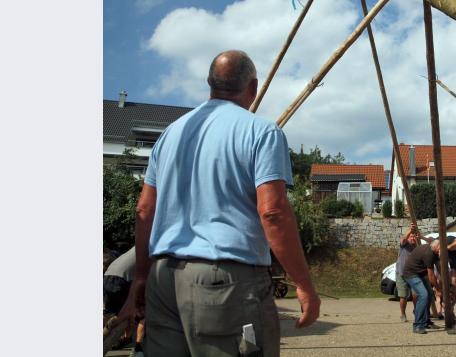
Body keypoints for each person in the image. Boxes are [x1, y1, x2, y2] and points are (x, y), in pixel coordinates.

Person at [112, 50, 320, 357]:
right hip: (223, 281)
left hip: (163, 278)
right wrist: (303, 283)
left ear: (210, 84)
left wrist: (141, 277)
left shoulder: (170, 134)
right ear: (253, 87)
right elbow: (273, 212)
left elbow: (144, 210)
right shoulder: (261, 132)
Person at [401, 242, 439, 334]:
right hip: (411, 274)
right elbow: (430, 275)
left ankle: (426, 322)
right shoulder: (429, 254)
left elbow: (439, 267)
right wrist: (438, 289)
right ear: (436, 247)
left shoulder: (435, 251)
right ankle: (417, 325)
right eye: (440, 249)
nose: (441, 251)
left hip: (421, 273)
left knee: (429, 295)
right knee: (424, 295)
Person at [395, 225, 418, 322]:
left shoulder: (417, 247)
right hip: (401, 273)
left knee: (416, 294)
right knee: (403, 296)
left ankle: (416, 311)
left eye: (414, 236)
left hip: (413, 274)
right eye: (411, 237)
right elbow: (403, 239)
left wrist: (417, 238)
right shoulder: (404, 244)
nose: (412, 238)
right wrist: (410, 230)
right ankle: (403, 314)